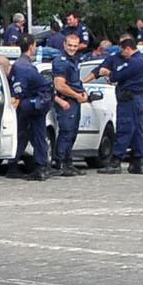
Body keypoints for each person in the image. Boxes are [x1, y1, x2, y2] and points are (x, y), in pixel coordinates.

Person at [108, 34, 143, 174]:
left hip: (129, 100)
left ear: (128, 49)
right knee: (139, 130)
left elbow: (115, 76)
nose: (123, 54)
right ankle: (139, 161)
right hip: (140, 99)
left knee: (125, 128)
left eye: (123, 51)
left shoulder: (133, 62)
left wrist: (109, 73)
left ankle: (115, 161)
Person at [48, 32, 93, 174]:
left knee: (72, 133)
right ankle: (60, 163)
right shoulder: (61, 61)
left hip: (74, 100)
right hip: (66, 101)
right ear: (64, 44)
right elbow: (59, 85)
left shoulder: (74, 60)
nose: (72, 48)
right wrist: (76, 96)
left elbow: (75, 82)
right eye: (70, 45)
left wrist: (82, 92)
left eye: (75, 46)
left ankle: (68, 162)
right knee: (66, 132)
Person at [9, 46, 50, 181]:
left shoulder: (19, 67)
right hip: (36, 102)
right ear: (32, 46)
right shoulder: (24, 66)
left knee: (27, 133)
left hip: (34, 103)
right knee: (33, 134)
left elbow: (17, 96)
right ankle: (39, 167)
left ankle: (18, 164)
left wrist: (10, 111)